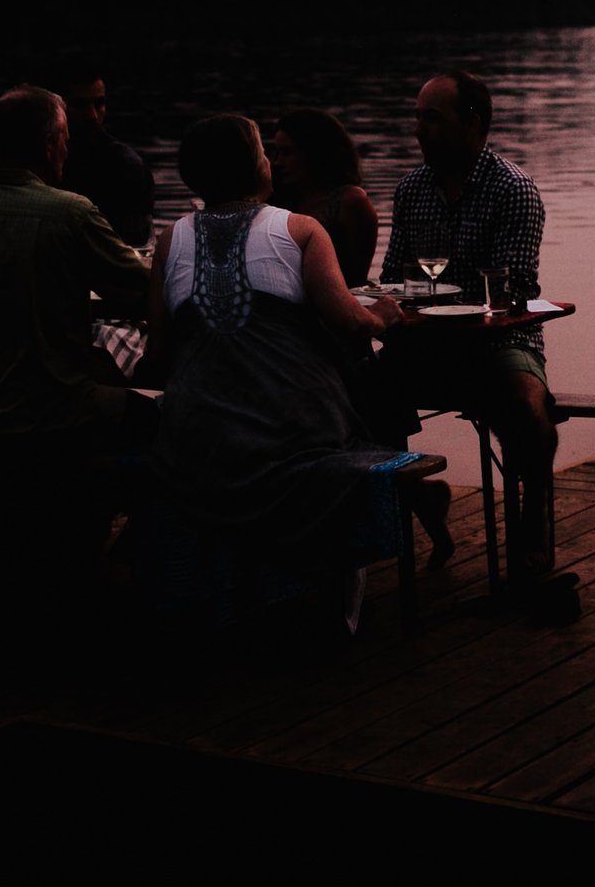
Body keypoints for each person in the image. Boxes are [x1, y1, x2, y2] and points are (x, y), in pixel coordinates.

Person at [144, 116, 405, 628]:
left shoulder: (168, 240)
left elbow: (157, 357)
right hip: (293, 433)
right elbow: (348, 322)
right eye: (264, 150)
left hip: (196, 444)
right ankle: (339, 602)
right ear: (252, 166)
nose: (271, 160)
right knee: (363, 410)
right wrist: (384, 317)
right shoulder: (300, 230)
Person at [0, 86, 154, 566]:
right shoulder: (70, 212)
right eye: (64, 140)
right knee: (164, 417)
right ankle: (124, 540)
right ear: (49, 143)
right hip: (50, 424)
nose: (67, 149)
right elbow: (146, 291)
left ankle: (35, 525)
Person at [378, 70, 566, 617]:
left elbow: (518, 290)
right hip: (429, 343)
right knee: (358, 393)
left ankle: (532, 520)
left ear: (473, 123)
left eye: (430, 118)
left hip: (499, 340)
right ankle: (419, 497)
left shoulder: (514, 189)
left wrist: (443, 297)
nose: (418, 129)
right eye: (416, 117)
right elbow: (394, 276)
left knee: (527, 410)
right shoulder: (411, 189)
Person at [267, 108, 377, 287]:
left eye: (287, 153)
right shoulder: (279, 199)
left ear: (313, 152)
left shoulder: (349, 202)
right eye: (276, 153)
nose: (278, 162)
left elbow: (356, 280)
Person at [54, 67, 155, 248]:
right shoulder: (41, 161)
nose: (92, 115)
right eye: (80, 105)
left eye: (99, 103)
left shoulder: (126, 166)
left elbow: (135, 245)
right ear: (58, 107)